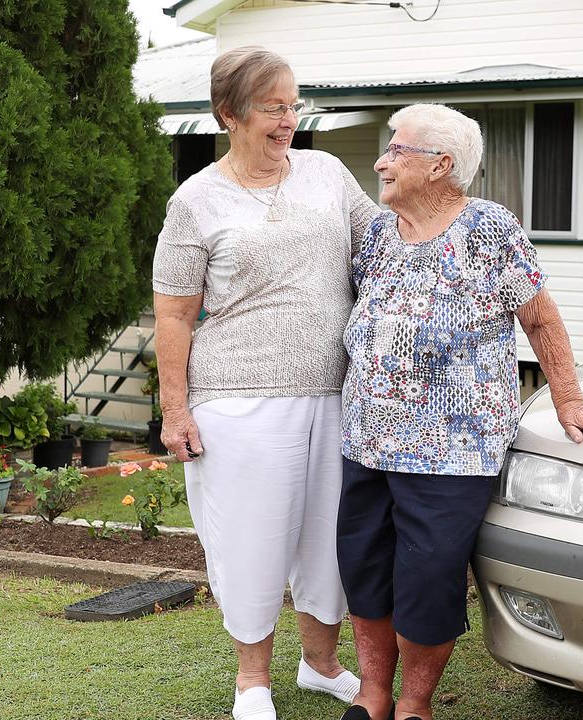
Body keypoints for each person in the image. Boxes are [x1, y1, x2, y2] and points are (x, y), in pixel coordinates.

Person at [336, 103, 583, 720]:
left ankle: (415, 703)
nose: (381, 160)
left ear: (441, 165)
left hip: (453, 447)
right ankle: (372, 695)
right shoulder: (375, 233)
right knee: (364, 567)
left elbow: (540, 316)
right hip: (366, 438)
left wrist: (569, 400)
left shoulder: (489, 230)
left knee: (428, 578)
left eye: (396, 150)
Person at [152, 46, 380, 720]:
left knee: (329, 538)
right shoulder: (196, 199)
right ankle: (252, 681)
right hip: (238, 397)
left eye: (293, 103)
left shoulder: (328, 173)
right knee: (252, 539)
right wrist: (174, 408)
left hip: (337, 392)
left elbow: (380, 245)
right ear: (229, 115)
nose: (288, 119)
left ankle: (321, 665)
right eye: (272, 108)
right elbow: (172, 310)